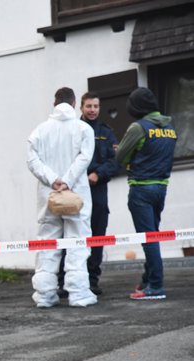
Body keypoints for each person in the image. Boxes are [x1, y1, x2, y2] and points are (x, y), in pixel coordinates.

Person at [27, 87, 97, 308]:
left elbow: (32, 161)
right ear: (75, 103)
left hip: (49, 195)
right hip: (76, 194)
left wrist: (53, 179)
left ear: (54, 103)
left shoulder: (39, 131)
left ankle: (45, 295)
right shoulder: (84, 129)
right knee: (78, 242)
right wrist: (67, 180)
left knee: (47, 243)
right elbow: (85, 158)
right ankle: (79, 294)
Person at [115, 87, 177, 300]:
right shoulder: (170, 126)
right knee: (153, 236)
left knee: (149, 240)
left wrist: (124, 154)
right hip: (161, 188)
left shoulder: (138, 127)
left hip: (141, 189)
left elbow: (121, 157)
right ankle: (148, 280)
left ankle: (156, 286)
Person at [57, 92, 120, 297]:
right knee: (70, 234)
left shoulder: (106, 132)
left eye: (96, 106)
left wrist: (98, 174)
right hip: (74, 190)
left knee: (96, 235)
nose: (92, 110)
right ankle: (64, 281)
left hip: (97, 189)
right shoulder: (72, 130)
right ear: (80, 108)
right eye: (88, 106)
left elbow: (115, 161)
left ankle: (92, 280)